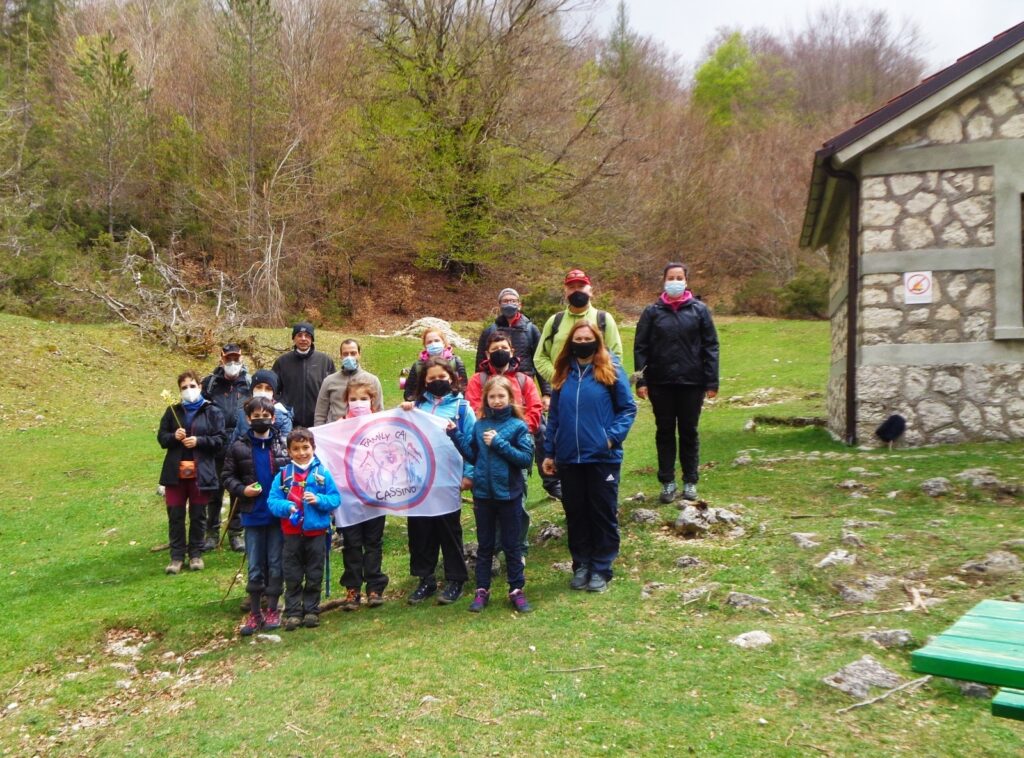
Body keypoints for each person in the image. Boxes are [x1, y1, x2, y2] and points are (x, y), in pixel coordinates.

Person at [542, 321, 636, 594]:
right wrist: (550, 452)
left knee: (602, 513)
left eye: (587, 338)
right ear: (571, 342)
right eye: (578, 338)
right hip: (569, 458)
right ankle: (581, 565)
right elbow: (555, 416)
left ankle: (602, 568)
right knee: (576, 514)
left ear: (597, 340)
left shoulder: (611, 368)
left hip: (602, 458)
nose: (582, 342)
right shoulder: (563, 373)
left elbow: (628, 409)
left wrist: (610, 438)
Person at [533, 269, 623, 500]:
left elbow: (616, 356)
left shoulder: (604, 320)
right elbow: (539, 356)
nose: (576, 290)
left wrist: (600, 382)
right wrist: (559, 378)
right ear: (565, 290)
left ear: (590, 290)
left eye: (580, 286)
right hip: (563, 395)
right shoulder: (555, 322)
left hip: (597, 398)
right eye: (571, 286)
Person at [634, 262, 720, 503]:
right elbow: (641, 347)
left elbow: (711, 346)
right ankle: (667, 482)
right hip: (660, 384)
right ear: (664, 281)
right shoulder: (652, 313)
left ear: (686, 281)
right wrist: (641, 381)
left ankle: (690, 480)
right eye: (671, 277)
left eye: (679, 277)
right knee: (664, 432)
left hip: (692, 383)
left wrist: (712, 381)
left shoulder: (700, 311)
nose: (675, 281)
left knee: (689, 432)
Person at [449, 375, 535, 613]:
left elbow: (526, 459)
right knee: (485, 545)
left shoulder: (519, 427)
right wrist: (455, 435)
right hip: (483, 496)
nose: (497, 401)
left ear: (510, 398)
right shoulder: (479, 425)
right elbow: (473, 455)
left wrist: (499, 444)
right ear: (485, 398)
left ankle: (516, 590)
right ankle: (482, 590)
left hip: (509, 495)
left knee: (512, 545)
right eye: (492, 396)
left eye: (501, 396)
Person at [400, 357, 474, 605]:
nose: (437, 382)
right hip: (420, 480)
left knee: (448, 530)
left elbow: (472, 443)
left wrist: (469, 474)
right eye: (431, 379)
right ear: (424, 382)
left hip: (448, 479)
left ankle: (455, 579)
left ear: (452, 379)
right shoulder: (415, 407)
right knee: (420, 531)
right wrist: (405, 410)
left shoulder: (462, 408)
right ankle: (425, 579)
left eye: (442, 377)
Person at [464, 330, 542, 562]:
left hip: (516, 449)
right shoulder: (478, 380)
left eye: (504, 349)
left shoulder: (523, 380)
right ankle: (494, 548)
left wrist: (517, 433)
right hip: (486, 449)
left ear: (512, 351)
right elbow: (474, 409)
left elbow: (535, 409)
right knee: (489, 502)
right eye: (495, 350)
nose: (500, 353)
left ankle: (519, 548)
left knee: (518, 500)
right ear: (487, 353)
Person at [222, 396, 289, 636]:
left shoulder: (282, 444)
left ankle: (273, 609)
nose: (261, 420)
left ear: (273, 418)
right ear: (248, 419)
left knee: (275, 562)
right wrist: (242, 490)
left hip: (276, 517)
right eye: (256, 417)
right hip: (252, 515)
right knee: (254, 565)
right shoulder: (238, 446)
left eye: (266, 416)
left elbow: (291, 474)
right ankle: (255, 612)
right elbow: (227, 476)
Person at [267, 428, 341, 631]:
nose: (301, 453)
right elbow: (272, 501)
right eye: (296, 449)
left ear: (313, 448)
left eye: (305, 447)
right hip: (291, 534)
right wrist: (287, 507)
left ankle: (311, 610)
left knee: (314, 572)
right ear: (289, 452)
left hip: (316, 533)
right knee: (292, 573)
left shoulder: (322, 473)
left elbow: (335, 499)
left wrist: (319, 500)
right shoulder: (283, 476)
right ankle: (293, 612)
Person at [157, 370, 226, 574]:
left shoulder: (212, 411)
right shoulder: (173, 411)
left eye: (192, 386)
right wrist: (173, 436)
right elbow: (161, 438)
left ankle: (196, 553)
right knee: (175, 514)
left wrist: (200, 441)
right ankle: (176, 556)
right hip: (175, 473)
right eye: (184, 388)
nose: (189, 390)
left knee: (198, 515)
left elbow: (220, 440)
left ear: (200, 387)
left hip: (201, 471)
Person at [337, 379, 389, 611]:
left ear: (372, 401)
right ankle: (353, 589)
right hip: (348, 496)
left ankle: (375, 587)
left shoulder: (381, 424)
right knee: (351, 543)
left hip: (375, 493)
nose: (358, 403)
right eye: (353, 399)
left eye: (363, 399)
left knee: (373, 542)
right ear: (346, 402)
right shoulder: (337, 427)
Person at [200, 343, 251, 553]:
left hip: (240, 443)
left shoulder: (248, 382)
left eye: (236, 358)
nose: (232, 363)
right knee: (214, 490)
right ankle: (211, 533)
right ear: (221, 358)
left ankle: (236, 533)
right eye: (228, 358)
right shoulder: (210, 383)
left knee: (237, 491)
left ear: (241, 358)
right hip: (216, 443)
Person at [271, 322, 336, 429]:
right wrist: (282, 407)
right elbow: (273, 389)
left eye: (307, 335)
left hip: (318, 422)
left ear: (312, 339)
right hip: (289, 423)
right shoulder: (282, 362)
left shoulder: (325, 361)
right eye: (299, 335)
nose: (303, 339)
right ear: (294, 338)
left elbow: (333, 390)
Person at [314, 339, 384, 425]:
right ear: (341, 356)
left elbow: (379, 411)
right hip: (336, 432)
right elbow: (320, 415)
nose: (349, 357)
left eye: (353, 353)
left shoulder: (372, 380)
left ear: (359, 355)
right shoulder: (329, 381)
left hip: (363, 431)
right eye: (345, 354)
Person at [402, 327, 468, 402]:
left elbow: (464, 388)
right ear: (425, 345)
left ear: (443, 342)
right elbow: (409, 393)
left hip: (450, 405)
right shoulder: (418, 366)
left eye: (436, 340)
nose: (433, 344)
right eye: (429, 342)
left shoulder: (455, 362)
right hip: (425, 407)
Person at [229, 368, 293, 443]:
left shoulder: (282, 415)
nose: (263, 392)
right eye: (259, 387)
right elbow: (234, 441)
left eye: (268, 388)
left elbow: (286, 446)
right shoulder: (243, 412)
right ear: (252, 390)